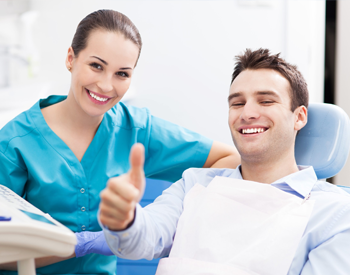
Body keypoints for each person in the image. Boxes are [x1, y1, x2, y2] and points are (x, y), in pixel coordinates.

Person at [0, 9, 240, 275]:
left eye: (122, 74)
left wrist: (161, 216)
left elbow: (228, 161)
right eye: (96, 66)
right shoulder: (15, 142)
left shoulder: (137, 129)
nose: (105, 85)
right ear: (71, 58)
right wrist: (79, 245)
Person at [99, 48, 350, 275]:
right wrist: (125, 220)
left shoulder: (334, 213)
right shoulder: (194, 184)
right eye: (237, 103)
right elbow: (143, 238)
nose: (247, 113)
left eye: (266, 101)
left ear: (299, 117)